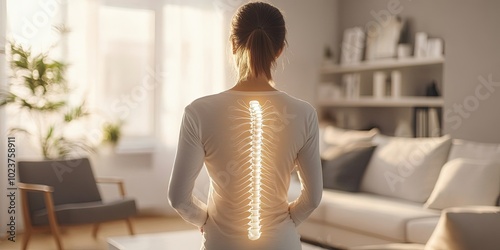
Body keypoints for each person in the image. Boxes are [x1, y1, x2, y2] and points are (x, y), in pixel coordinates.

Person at [168, 2, 322, 249]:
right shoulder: (305, 113)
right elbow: (313, 198)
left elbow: (178, 198)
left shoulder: (199, 111)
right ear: (280, 50)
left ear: (232, 44)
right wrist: (286, 223)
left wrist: (206, 221)